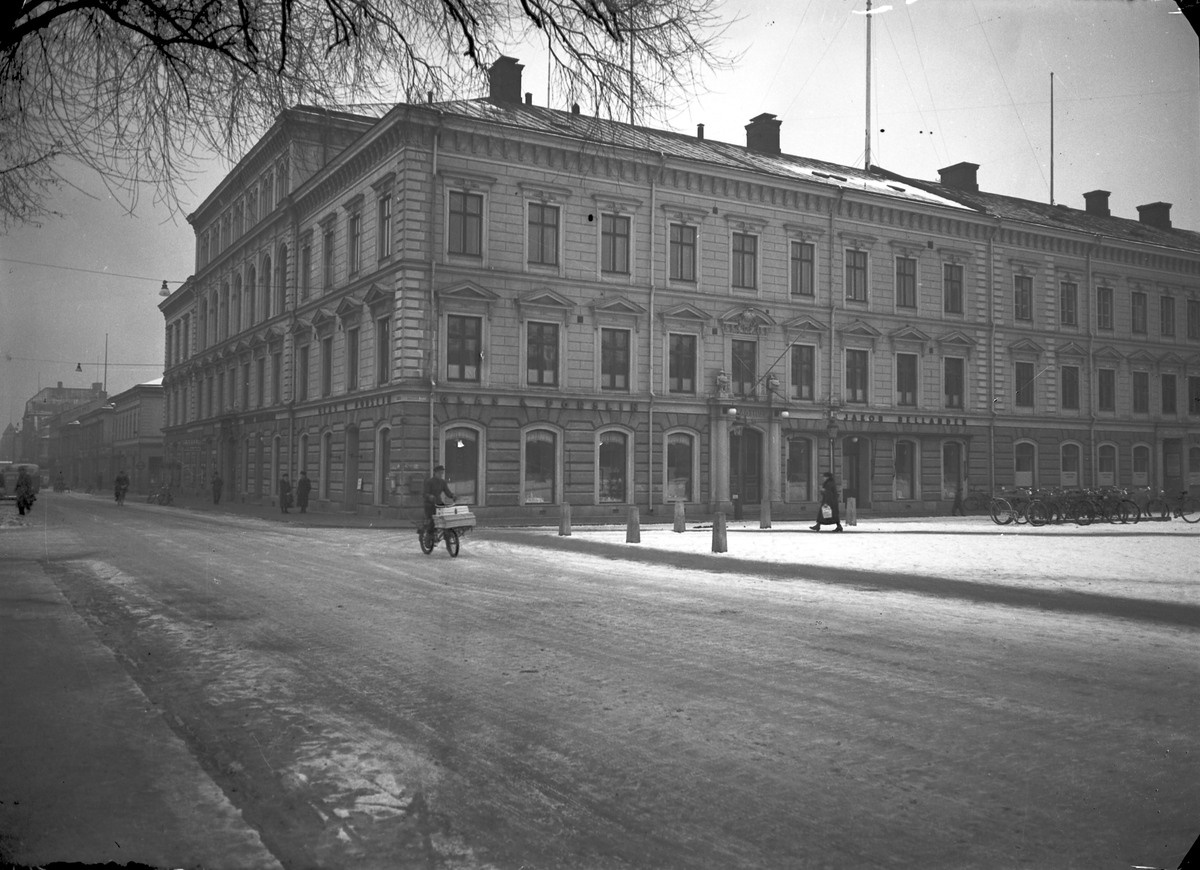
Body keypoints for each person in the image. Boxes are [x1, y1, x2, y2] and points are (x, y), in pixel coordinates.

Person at [422, 465, 455, 534]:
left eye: (442, 473)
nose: (441, 475)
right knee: (432, 521)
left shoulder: (443, 482)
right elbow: (425, 493)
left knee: (445, 518)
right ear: (435, 473)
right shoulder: (429, 482)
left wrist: (452, 495)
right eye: (439, 473)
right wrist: (430, 496)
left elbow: (447, 492)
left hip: (439, 503)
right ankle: (430, 536)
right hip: (430, 504)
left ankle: (446, 534)